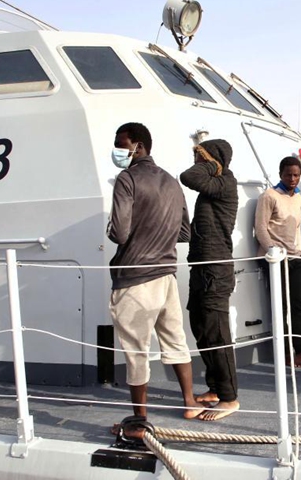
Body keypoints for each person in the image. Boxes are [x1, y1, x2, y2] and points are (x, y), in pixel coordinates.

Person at [107, 122, 203, 437]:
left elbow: (119, 233)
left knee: (136, 351)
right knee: (176, 340)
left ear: (139, 146)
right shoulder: (172, 182)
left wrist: (116, 229)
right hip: (166, 276)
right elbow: (185, 232)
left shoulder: (127, 179)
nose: (117, 150)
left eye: (121, 144)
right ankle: (190, 402)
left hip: (135, 278)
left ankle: (139, 421)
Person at [180, 139, 240, 421]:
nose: (196, 162)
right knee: (201, 327)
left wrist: (210, 164)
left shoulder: (225, 181)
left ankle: (229, 398)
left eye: (200, 157)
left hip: (216, 269)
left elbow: (188, 177)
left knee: (217, 333)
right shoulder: (213, 185)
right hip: (202, 267)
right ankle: (215, 388)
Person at [255, 157, 301, 367]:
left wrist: (299, 252)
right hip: (276, 259)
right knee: (281, 307)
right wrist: (274, 251)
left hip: (295, 258)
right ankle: (285, 353)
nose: (292, 179)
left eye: (296, 175)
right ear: (280, 174)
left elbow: (295, 229)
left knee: (297, 306)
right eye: (288, 175)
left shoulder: (298, 198)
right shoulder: (269, 196)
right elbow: (260, 228)